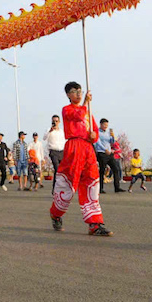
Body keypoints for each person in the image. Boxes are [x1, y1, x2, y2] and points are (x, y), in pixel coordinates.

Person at [49, 82, 111, 236]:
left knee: (91, 182)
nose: (78, 93)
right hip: (74, 147)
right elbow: (77, 116)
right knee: (68, 184)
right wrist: (86, 102)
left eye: (80, 91)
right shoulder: (67, 109)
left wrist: (93, 136)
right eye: (74, 91)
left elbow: (94, 132)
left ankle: (94, 223)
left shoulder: (89, 113)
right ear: (68, 95)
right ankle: (56, 213)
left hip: (88, 149)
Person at [94, 119, 116, 194]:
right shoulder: (97, 132)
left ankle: (117, 187)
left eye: (107, 125)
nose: (106, 126)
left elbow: (112, 142)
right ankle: (100, 188)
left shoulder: (108, 133)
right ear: (101, 124)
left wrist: (113, 136)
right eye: (104, 125)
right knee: (102, 170)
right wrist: (105, 149)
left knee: (115, 169)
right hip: (102, 152)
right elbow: (98, 142)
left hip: (109, 152)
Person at [46, 115, 65, 191]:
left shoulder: (61, 131)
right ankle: (55, 189)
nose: (55, 123)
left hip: (61, 151)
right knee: (57, 168)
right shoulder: (49, 130)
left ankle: (59, 187)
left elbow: (64, 140)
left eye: (56, 121)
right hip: (53, 151)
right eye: (53, 121)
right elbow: (44, 138)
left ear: (59, 122)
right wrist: (50, 131)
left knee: (61, 171)